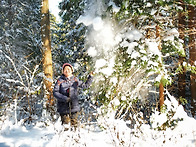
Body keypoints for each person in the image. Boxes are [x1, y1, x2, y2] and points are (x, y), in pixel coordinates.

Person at [53, 63, 93, 130]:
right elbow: (55, 92)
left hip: (73, 106)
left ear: (72, 70)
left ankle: (75, 138)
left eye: (69, 69)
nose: (67, 71)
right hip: (63, 107)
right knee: (65, 125)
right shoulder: (59, 81)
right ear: (63, 71)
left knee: (74, 125)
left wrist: (90, 77)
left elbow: (85, 86)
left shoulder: (75, 80)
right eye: (65, 69)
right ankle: (64, 138)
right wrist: (64, 98)